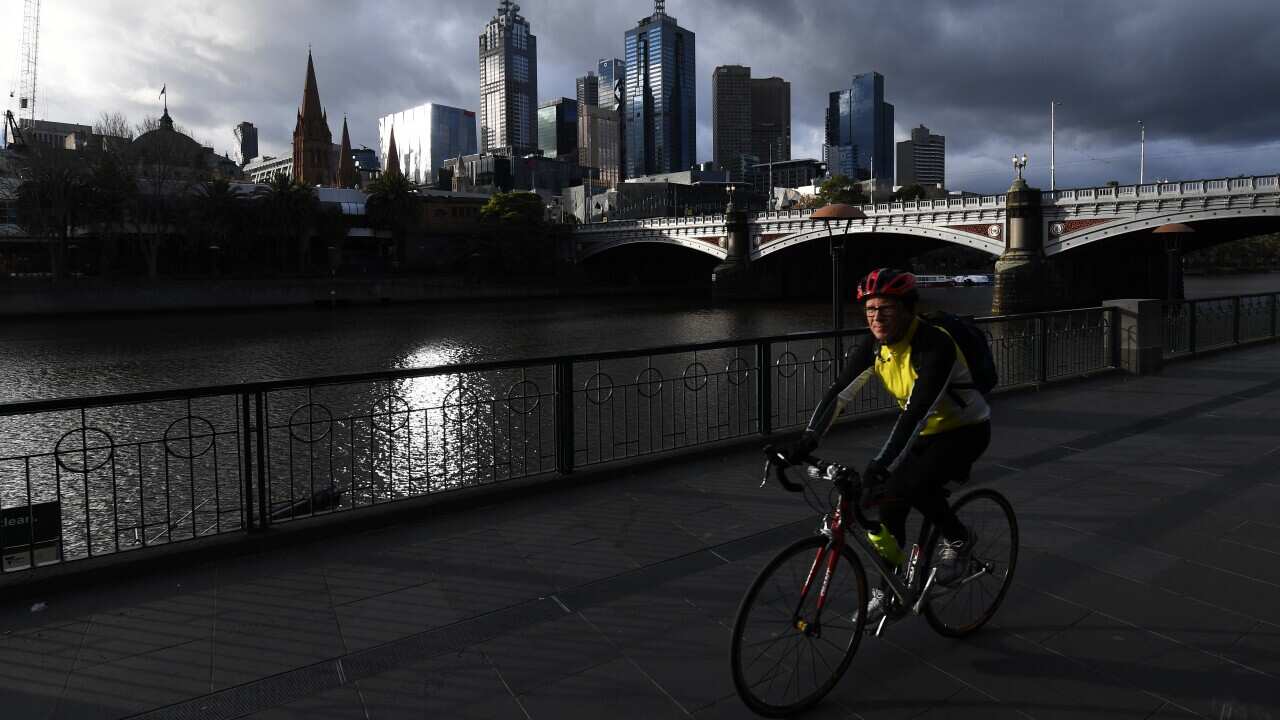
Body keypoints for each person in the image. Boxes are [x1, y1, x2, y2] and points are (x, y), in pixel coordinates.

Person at [781, 268, 991, 621]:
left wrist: (880, 465)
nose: (877, 318)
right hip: (923, 434)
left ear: (908, 309)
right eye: (870, 310)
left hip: (964, 431)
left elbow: (916, 413)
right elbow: (839, 395)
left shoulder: (934, 344)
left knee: (912, 485)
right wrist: (806, 441)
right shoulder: (874, 344)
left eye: (886, 309)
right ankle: (888, 589)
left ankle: (959, 539)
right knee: (888, 506)